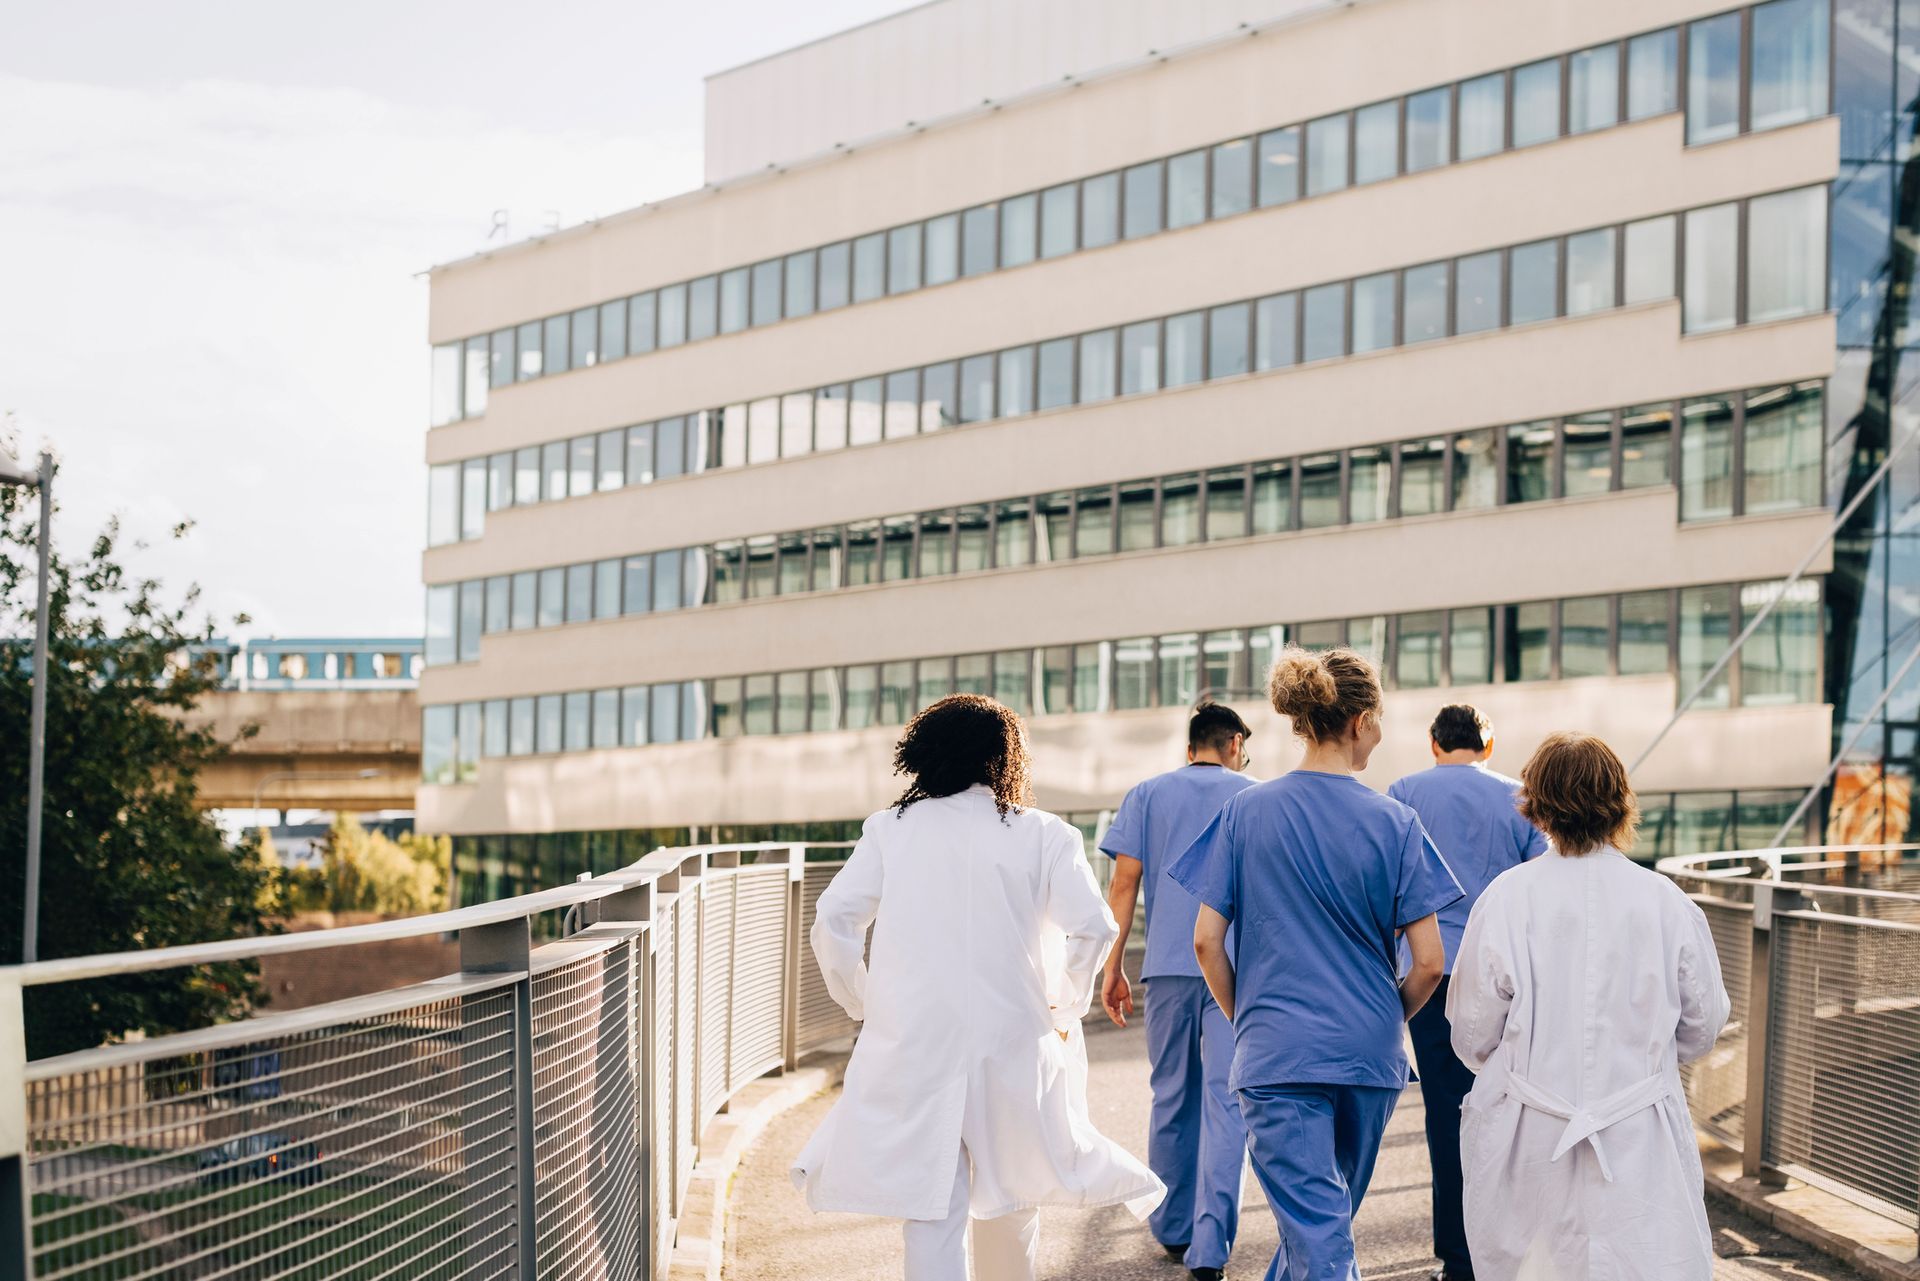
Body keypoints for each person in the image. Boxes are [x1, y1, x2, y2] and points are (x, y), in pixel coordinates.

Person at [791, 694, 1163, 1281]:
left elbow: (833, 921)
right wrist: (1063, 1002)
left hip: (914, 1040)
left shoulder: (891, 829)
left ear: (927, 754)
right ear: (1005, 757)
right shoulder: (1044, 834)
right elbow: (1093, 928)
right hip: (1014, 1038)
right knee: (1012, 1197)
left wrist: (864, 1000)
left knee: (929, 1203)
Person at [1170, 647, 1461, 1281]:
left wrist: (1247, 1015)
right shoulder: (1398, 822)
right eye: (1379, 721)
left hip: (1276, 1051)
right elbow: (1430, 964)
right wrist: (1387, 1012)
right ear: (1360, 721)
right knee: (1323, 1231)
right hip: (1367, 1055)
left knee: (1315, 1236)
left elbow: (1205, 943)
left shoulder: (1245, 811)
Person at [1448, 733, 1730, 1281]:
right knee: (1643, 1260)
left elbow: (1472, 1031)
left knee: (1532, 1265)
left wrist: (1519, 1065)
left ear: (1538, 805)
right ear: (1620, 800)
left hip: (1530, 1130)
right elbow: (1704, 1024)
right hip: (1639, 1129)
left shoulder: (1507, 896)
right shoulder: (1665, 901)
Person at [1386, 704, 1548, 1281]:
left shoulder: (1404, 790)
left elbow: (1389, 885)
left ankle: (1459, 1261)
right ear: (1489, 743)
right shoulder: (1520, 796)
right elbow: (1540, 885)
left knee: (1447, 1118)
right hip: (1507, 977)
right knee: (1513, 1111)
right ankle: (1514, 1254)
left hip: (1429, 973)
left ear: (1434, 743)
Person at [1099, 702, 1259, 1281]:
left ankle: (1171, 1228)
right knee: (1226, 1099)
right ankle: (1211, 1247)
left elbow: (1123, 883)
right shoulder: (1255, 796)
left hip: (1165, 966)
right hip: (1233, 971)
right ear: (1235, 741)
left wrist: (1111, 966)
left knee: (1170, 1093)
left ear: (1190, 745)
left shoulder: (1146, 794)